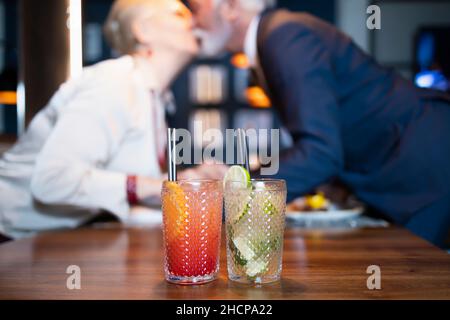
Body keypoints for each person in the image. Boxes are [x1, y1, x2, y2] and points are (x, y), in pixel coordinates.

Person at [189, 0, 450, 247]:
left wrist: (227, 201)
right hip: (415, 163)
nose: (192, 22)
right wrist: (241, 176)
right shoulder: (279, 35)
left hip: (425, 167)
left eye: (197, 7)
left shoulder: (285, 37)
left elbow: (320, 153)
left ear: (232, 6)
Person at [0, 0, 214, 240]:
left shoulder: (154, 97)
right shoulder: (115, 83)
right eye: (178, 14)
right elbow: (52, 181)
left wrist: (190, 184)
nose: (195, 20)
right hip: (9, 242)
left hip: (51, 242)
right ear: (142, 30)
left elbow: (121, 201)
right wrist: (156, 187)